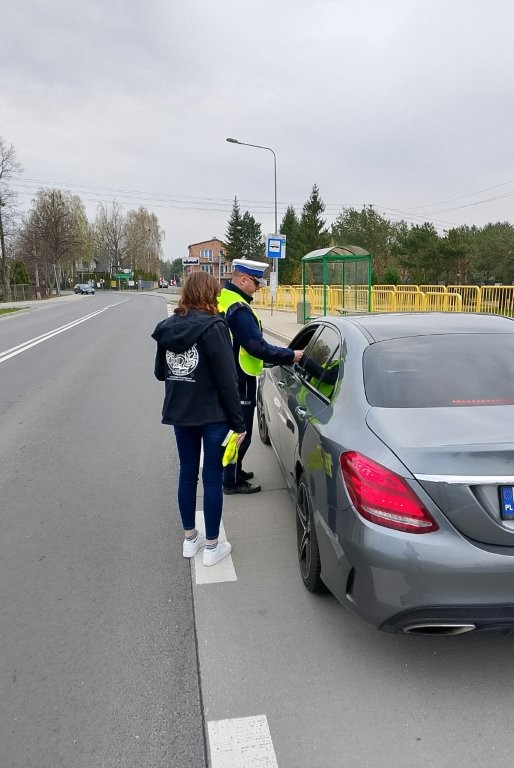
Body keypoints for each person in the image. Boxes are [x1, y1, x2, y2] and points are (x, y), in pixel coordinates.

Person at [151, 272, 246, 566]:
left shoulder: (166, 329)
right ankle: (213, 546)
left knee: (187, 474)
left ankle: (190, 540)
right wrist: (239, 423)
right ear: (209, 294)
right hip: (213, 415)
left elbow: (159, 373)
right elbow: (227, 379)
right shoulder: (215, 326)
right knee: (213, 478)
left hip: (181, 414)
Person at [218, 258, 304, 494]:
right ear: (243, 279)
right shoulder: (239, 309)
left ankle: (234, 470)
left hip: (230, 374)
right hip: (240, 377)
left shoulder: (226, 299)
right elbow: (257, 347)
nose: (258, 288)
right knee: (240, 431)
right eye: (256, 283)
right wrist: (291, 355)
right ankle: (231, 480)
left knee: (236, 429)